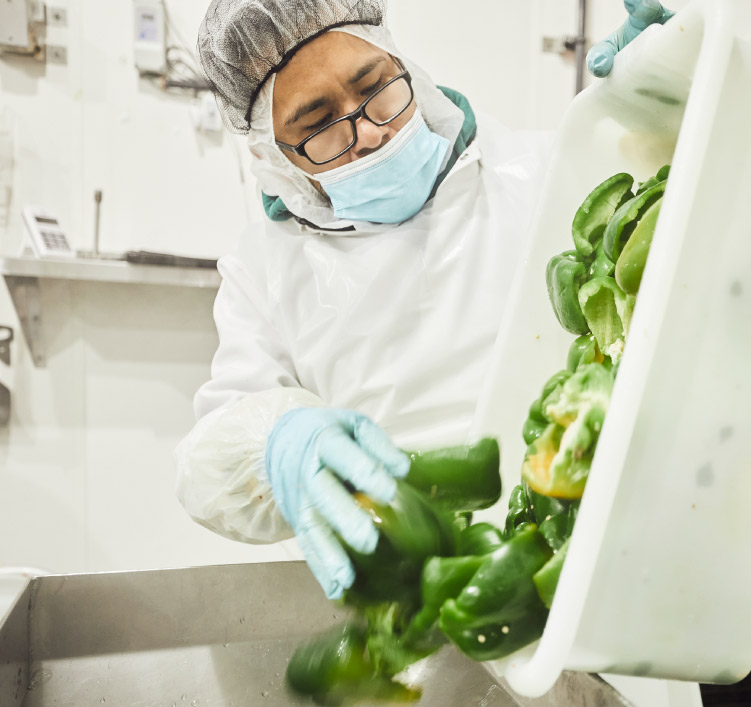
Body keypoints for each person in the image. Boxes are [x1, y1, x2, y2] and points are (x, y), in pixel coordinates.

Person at [175, 0, 673, 600]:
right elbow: (211, 469)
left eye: (376, 87)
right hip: (418, 598)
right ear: (272, 156)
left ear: (402, 61)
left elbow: (704, 238)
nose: (374, 131)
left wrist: (671, 105)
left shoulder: (544, 171)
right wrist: (277, 444)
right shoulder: (265, 271)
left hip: (607, 572)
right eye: (319, 127)